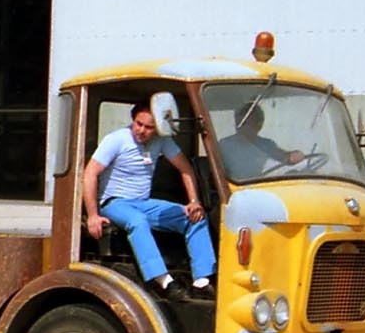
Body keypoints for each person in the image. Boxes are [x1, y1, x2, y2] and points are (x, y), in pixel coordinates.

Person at [83, 103, 217, 301]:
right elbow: (90, 173)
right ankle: (162, 281)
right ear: (133, 121)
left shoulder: (162, 141)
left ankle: (201, 282)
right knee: (138, 221)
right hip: (115, 202)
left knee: (194, 217)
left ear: (158, 128)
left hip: (143, 202)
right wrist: (93, 215)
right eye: (138, 124)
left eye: (148, 127)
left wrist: (194, 201)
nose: (142, 131)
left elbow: (186, 168)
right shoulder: (117, 139)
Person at [218, 104, 305, 180]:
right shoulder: (224, 145)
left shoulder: (265, 145)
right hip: (234, 191)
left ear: (259, 124)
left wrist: (296, 155)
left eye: (248, 122)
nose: (241, 126)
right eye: (240, 122)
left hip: (257, 187)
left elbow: (284, 156)